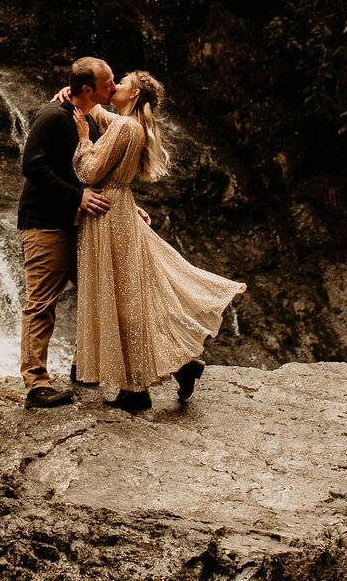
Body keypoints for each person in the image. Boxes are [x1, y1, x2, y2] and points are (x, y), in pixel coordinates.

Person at [69, 70, 244, 413]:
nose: (114, 85)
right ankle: (182, 366)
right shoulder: (132, 125)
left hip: (108, 215)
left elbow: (89, 173)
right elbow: (107, 116)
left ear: (133, 95)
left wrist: (83, 137)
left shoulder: (124, 127)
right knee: (131, 298)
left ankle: (136, 391)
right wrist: (85, 101)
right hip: (121, 210)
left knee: (123, 301)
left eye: (122, 82)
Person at [16, 56, 113, 408]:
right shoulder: (52, 116)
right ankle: (36, 385)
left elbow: (89, 172)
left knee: (95, 292)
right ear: (87, 89)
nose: (113, 88)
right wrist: (77, 197)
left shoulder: (87, 117)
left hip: (75, 224)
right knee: (41, 303)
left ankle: (81, 365)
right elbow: (33, 164)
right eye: (107, 84)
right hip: (44, 224)